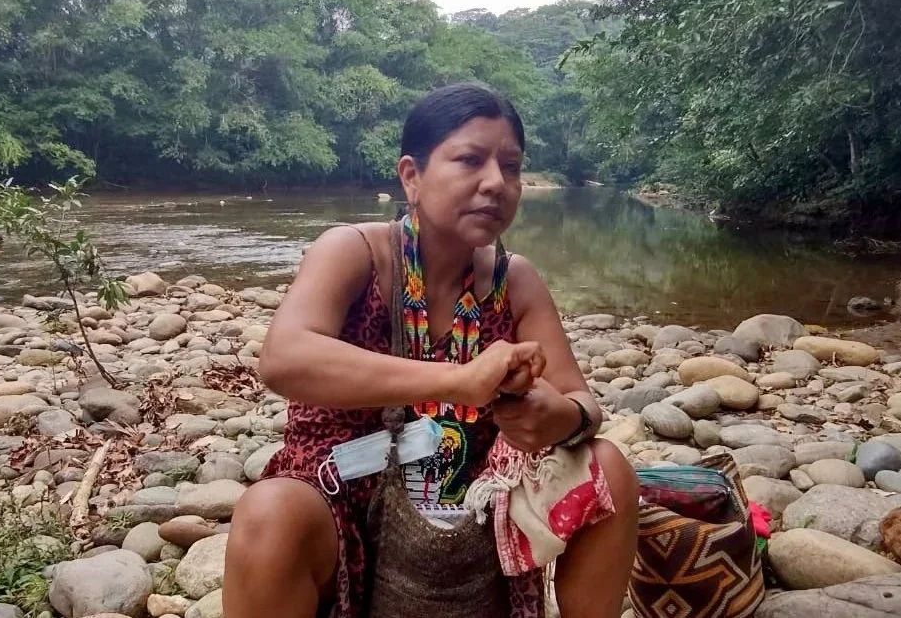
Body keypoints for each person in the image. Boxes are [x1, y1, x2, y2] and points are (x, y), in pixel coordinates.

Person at [223, 83, 639, 618]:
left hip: (475, 511)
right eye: (470, 160)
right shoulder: (356, 252)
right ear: (411, 176)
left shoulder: (515, 281)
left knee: (609, 467)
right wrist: (458, 381)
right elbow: (284, 358)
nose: (496, 182)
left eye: (511, 167)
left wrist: (558, 416)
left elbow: (584, 404)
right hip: (344, 502)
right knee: (268, 513)